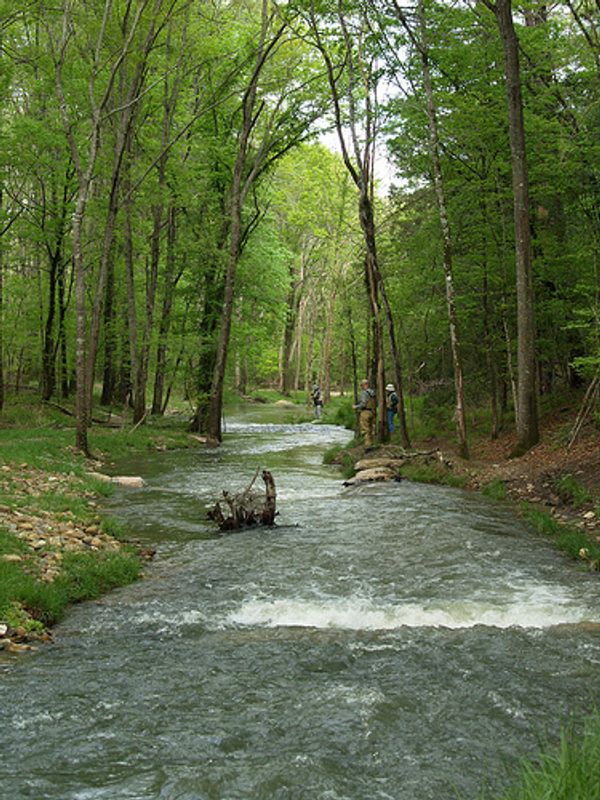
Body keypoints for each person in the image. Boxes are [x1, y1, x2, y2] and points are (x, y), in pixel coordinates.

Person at [353, 378, 376, 449]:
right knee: (372, 429)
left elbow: (363, 404)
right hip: (372, 412)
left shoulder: (364, 393)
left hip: (365, 412)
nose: (361, 387)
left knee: (365, 429)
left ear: (365, 385)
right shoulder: (373, 392)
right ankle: (372, 443)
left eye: (362, 385)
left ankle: (367, 445)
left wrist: (356, 407)